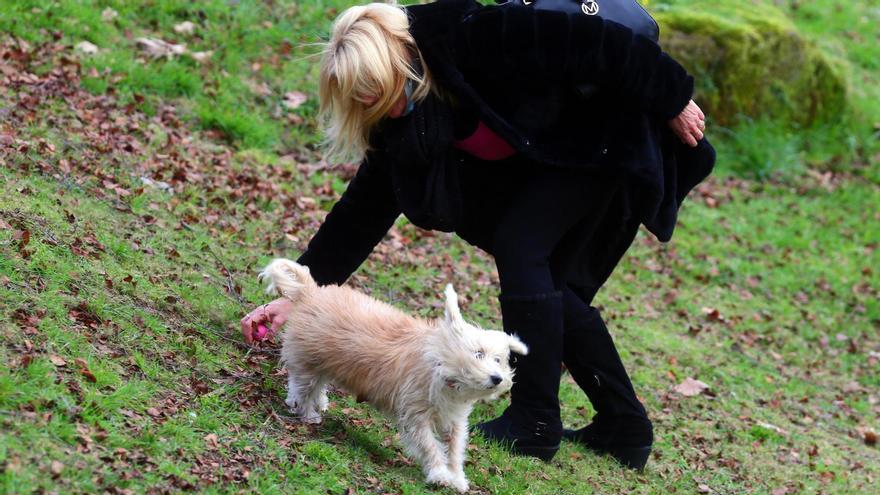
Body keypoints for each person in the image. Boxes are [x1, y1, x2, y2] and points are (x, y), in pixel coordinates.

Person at [240, 0, 714, 469]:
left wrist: (670, 96)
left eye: (376, 86)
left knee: (521, 245)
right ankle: (624, 427)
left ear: (399, 58)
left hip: (602, 133)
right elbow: (361, 211)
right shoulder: (396, 116)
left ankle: (534, 422)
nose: (371, 101)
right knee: (552, 285)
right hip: (548, 157)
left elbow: (596, 42)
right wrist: (300, 292)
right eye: (359, 95)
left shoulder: (474, 33)